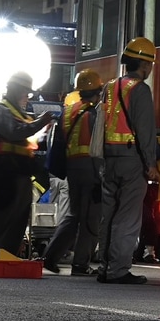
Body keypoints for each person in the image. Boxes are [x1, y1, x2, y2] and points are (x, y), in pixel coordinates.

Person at [0, 72, 57, 270]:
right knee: (3, 214)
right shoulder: (0, 111)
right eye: (25, 92)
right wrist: (39, 123)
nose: (27, 97)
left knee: (19, 216)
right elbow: (13, 131)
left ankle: (7, 256)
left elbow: (26, 137)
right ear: (16, 91)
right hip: (6, 172)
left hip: (22, 171)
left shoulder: (21, 114)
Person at [97, 37, 159, 285]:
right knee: (128, 217)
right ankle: (118, 270)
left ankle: (104, 266)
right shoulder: (140, 89)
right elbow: (145, 132)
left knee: (109, 215)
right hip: (131, 160)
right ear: (144, 65)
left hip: (109, 159)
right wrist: (151, 164)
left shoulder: (110, 87)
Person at [41, 70, 105, 275]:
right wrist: (100, 176)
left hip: (72, 168)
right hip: (90, 168)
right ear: (97, 91)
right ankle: (80, 264)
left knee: (74, 215)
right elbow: (96, 148)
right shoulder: (94, 114)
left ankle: (50, 256)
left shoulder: (68, 112)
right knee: (91, 218)